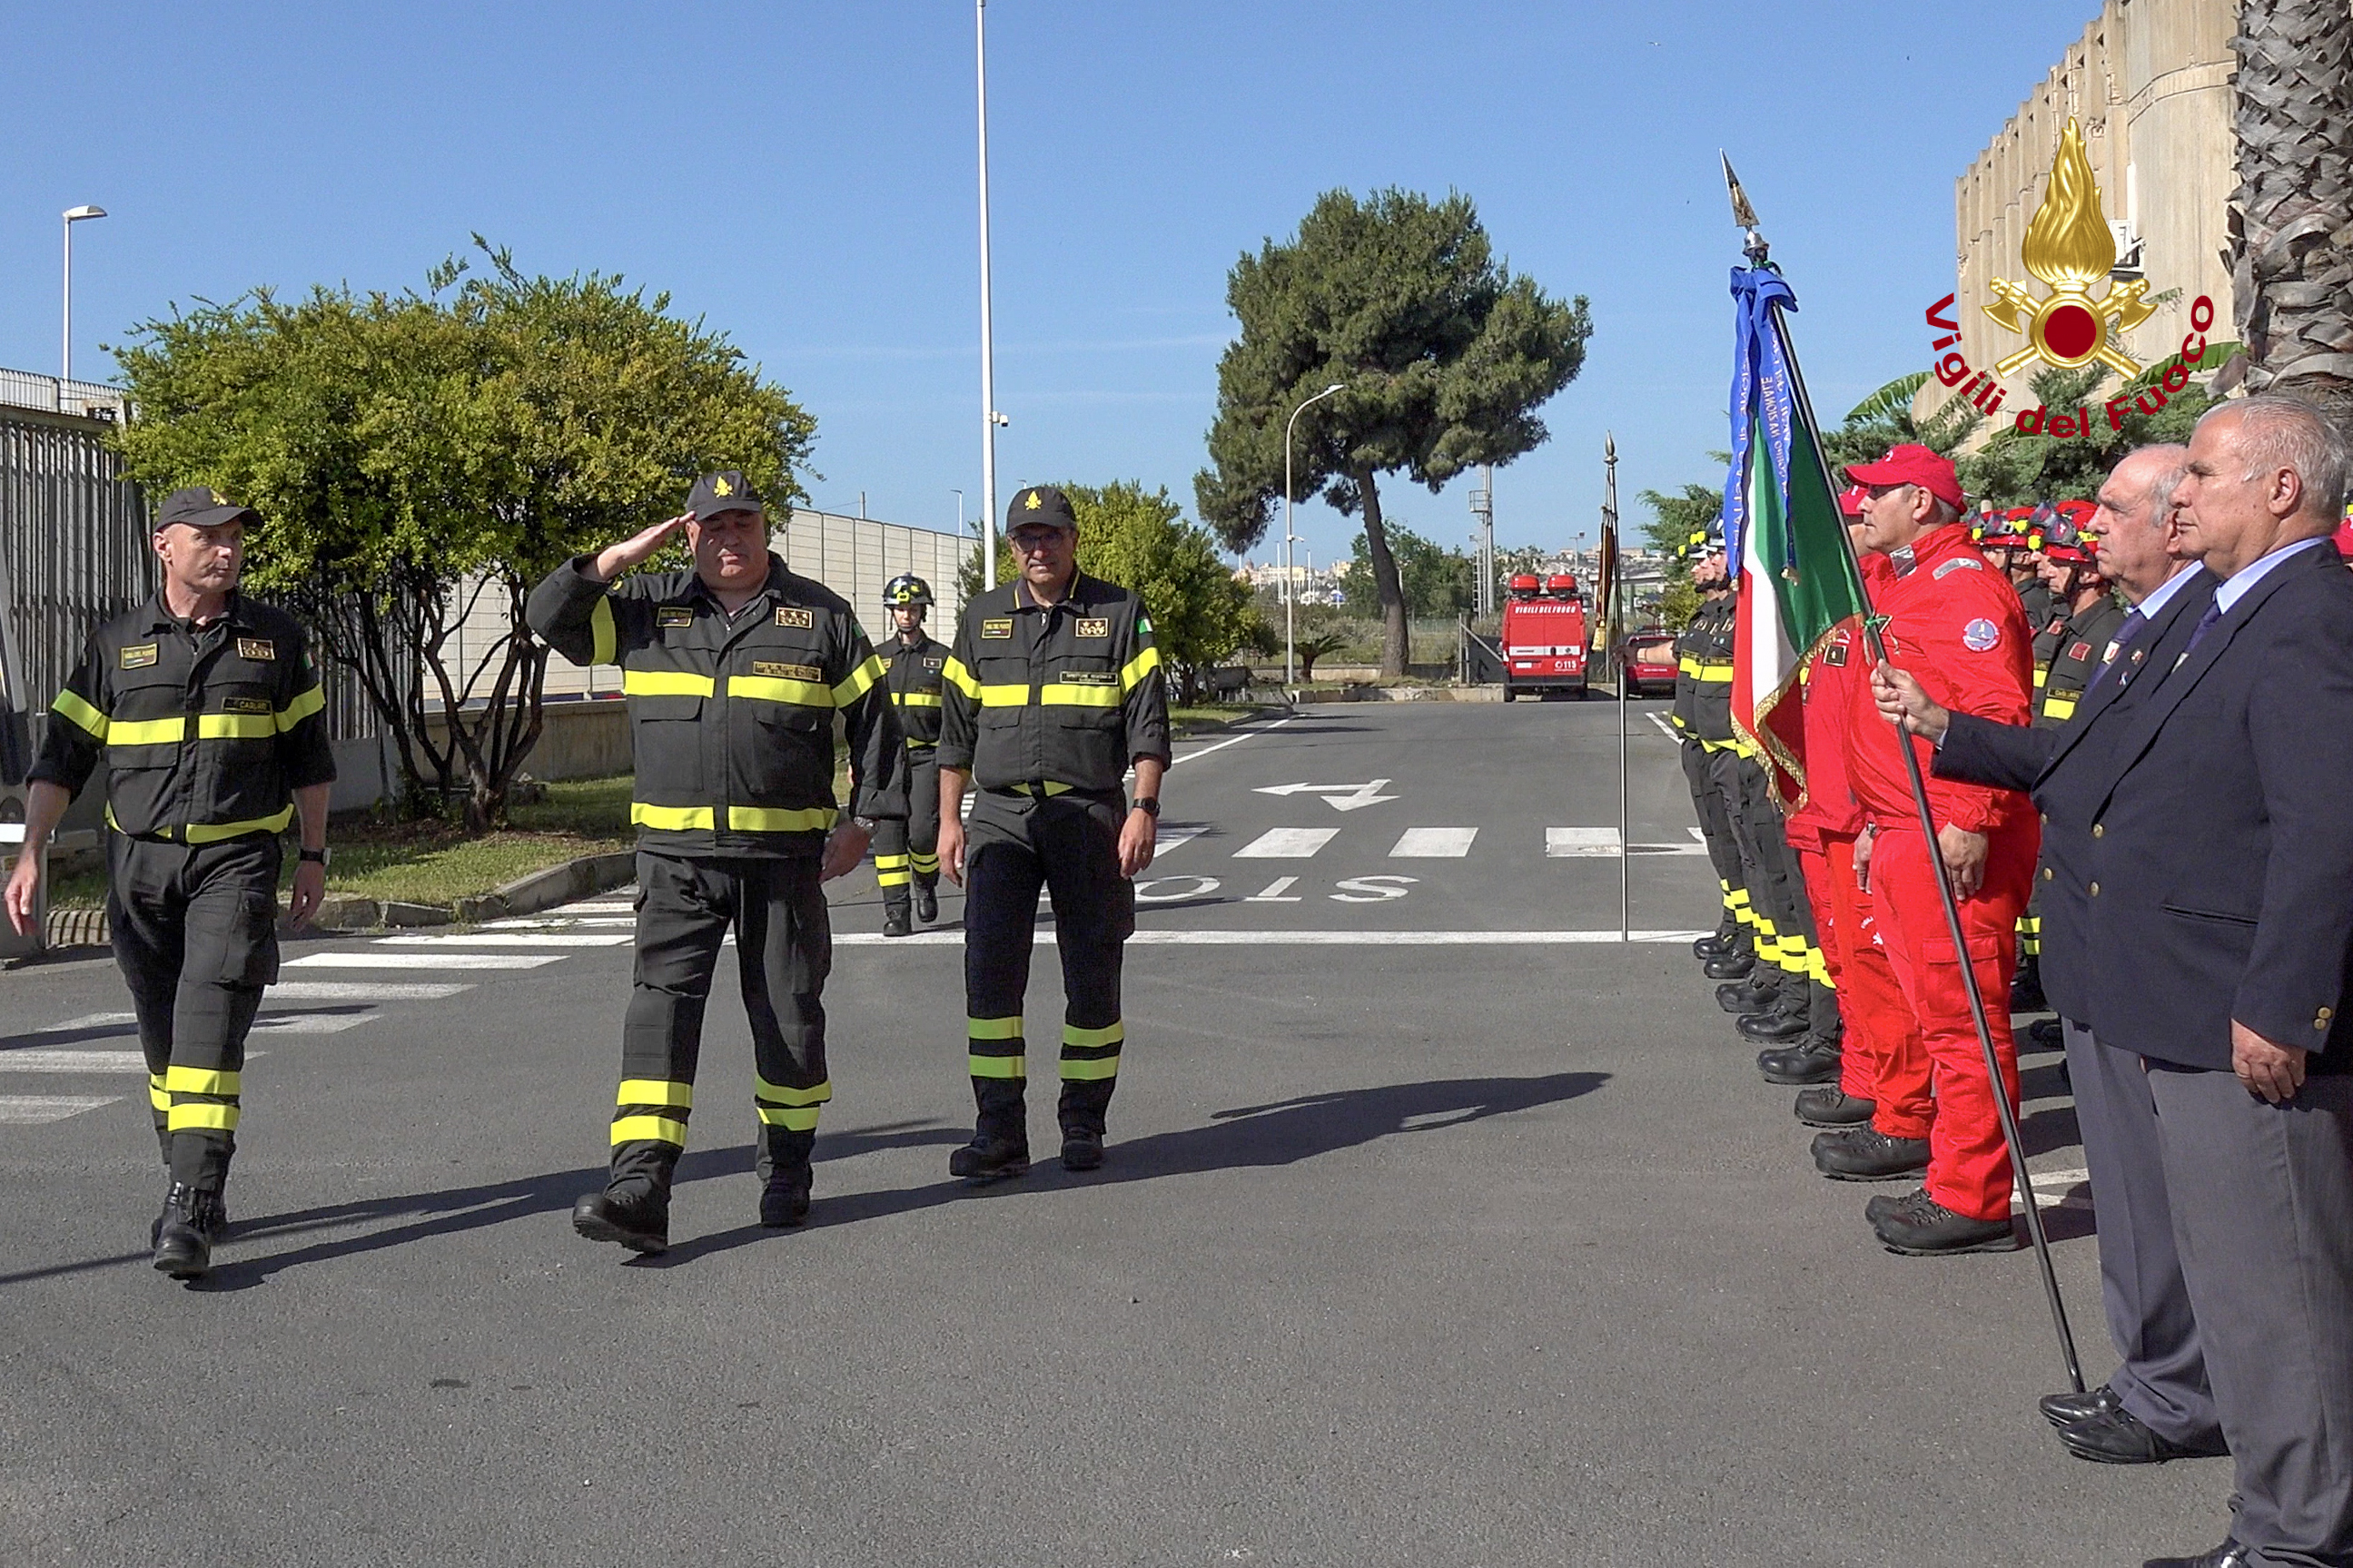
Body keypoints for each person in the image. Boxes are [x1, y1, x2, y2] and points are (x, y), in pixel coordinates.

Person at [1957, 398, 2353, 1568]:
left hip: (2238, 1013)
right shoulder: (2231, 610)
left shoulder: (2306, 616)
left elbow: (2324, 828)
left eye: (2202, 476)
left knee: (2276, 1295)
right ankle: (2275, 1522)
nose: (2180, 495)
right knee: (2236, 1290)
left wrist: (2282, 1002)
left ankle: (2298, 1540)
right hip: (2180, 1002)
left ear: (2279, 489)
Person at [1880, 444, 2224, 1466]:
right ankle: (2155, 1378)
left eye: (2111, 508)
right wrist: (1943, 726)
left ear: (2172, 523)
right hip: (2097, 945)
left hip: (2160, 947)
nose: (2087, 527)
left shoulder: (2202, 625)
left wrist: (1969, 801)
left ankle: (2180, 1393)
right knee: (2129, 1194)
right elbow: (2070, 756)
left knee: (2178, 1198)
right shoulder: (2134, 629)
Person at [527, 470, 907, 1253]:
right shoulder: (646, 610)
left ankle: (787, 1168)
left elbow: (876, 724)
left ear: (764, 529)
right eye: (713, 525)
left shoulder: (821, 617)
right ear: (689, 532)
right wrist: (618, 558)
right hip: (676, 864)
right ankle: (640, 1187)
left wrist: (865, 821)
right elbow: (547, 618)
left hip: (783, 861)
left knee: (789, 1017)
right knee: (658, 1019)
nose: (730, 538)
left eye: (743, 523)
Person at [5, 487, 335, 1280]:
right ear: (164, 545)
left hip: (236, 861)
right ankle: (186, 1166)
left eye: (236, 537)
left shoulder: (275, 640)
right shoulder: (116, 642)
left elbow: (310, 759)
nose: (227, 550)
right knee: (162, 1037)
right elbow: (62, 755)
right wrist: (31, 850)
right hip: (139, 869)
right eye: (209, 537)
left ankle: (190, 1200)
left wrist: (313, 854)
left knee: (208, 1023)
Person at [1836, 444, 2040, 1255]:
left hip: (1942, 832)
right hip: (1900, 828)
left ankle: (1974, 1197)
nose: (1861, 505)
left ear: (1920, 502)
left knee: (1963, 1025)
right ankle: (1951, 1172)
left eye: (1875, 492)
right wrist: (1869, 820)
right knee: (1936, 1019)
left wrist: (1970, 816)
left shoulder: (1962, 586)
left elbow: (1996, 710)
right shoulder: (1907, 580)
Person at [935, 485, 1171, 1179]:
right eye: (1025, 537)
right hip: (1000, 816)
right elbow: (954, 733)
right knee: (989, 977)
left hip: (1088, 814)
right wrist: (948, 820)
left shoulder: (1118, 612)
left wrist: (1143, 806)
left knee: (1092, 972)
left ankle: (1083, 1121)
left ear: (1073, 540)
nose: (1038, 548)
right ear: (1011, 547)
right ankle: (998, 1132)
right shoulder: (981, 618)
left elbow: (1148, 720)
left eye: (1050, 535)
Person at [1785, 491, 1924, 1144]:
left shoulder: (1884, 600)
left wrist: (1871, 811)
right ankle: (1865, 1079)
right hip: (1825, 812)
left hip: (1863, 816)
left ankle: (1903, 1109)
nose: (1853, 522)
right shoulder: (1832, 600)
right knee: (1848, 963)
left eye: (1849, 515)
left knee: (1880, 970)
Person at [1674, 532, 1754, 979]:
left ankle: (1754, 942)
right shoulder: (1708, 618)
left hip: (1733, 753)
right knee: (1722, 846)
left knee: (1748, 854)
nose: (1699, 567)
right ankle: (1735, 924)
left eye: (1711, 557)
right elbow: (1680, 657)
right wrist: (1634, 653)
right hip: (1702, 748)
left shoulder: (1746, 614)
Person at [874, 573, 948, 938]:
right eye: (900, 608)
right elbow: (865, 715)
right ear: (892, 612)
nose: (906, 615)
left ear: (923, 612)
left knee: (921, 834)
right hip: (885, 762)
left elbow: (955, 716)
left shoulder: (942, 659)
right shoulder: (877, 658)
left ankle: (925, 879)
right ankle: (897, 914)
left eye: (913, 608)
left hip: (926, 759)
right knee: (888, 841)